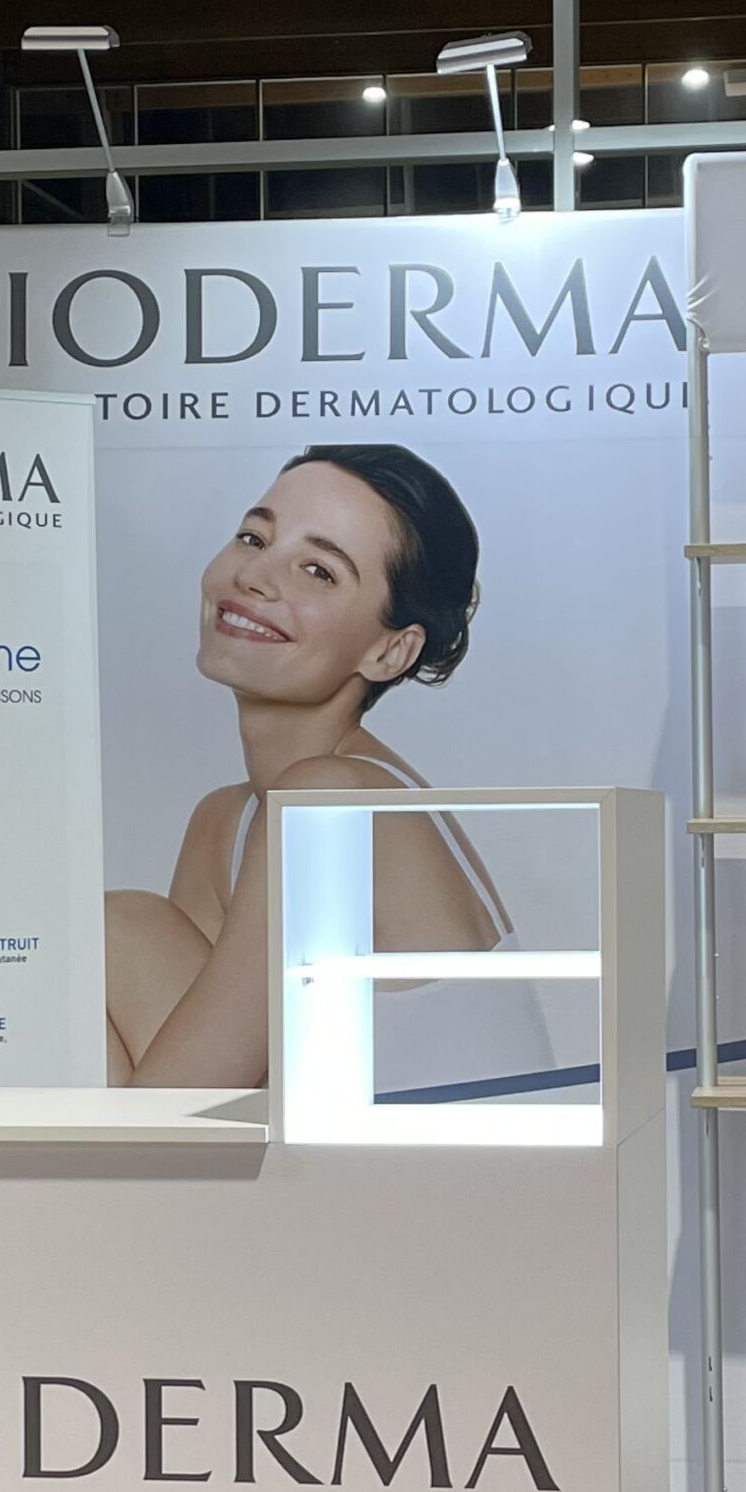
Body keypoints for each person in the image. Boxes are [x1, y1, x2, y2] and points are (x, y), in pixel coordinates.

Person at [105, 444, 512, 1088]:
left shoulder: (335, 800)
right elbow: (186, 1087)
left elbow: (177, 1106)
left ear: (390, 650)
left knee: (110, 940)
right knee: (121, 932)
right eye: (253, 538)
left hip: (441, 1159)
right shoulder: (226, 822)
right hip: (309, 1149)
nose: (254, 576)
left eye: (318, 571)